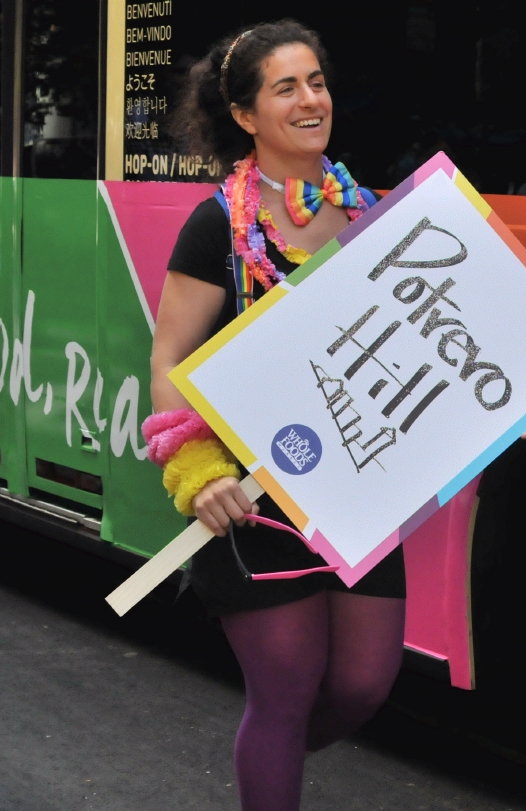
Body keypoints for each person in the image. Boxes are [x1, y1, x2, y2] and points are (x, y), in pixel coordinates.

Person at [146, 22, 402, 811]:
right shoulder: (215, 225)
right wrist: (198, 475)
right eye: (285, 87)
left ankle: (274, 757)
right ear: (246, 116)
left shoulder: (377, 218)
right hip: (254, 497)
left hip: (359, 492)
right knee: (285, 692)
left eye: (317, 81)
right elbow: (168, 361)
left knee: (362, 686)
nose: (310, 99)